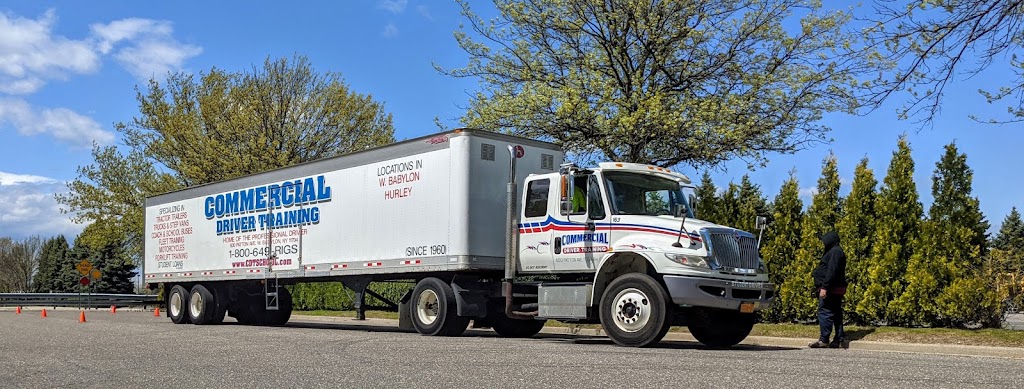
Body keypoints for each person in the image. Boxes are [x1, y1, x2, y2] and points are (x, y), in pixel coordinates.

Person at [809, 231, 848, 349]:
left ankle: (824, 339)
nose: (823, 243)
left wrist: (825, 287)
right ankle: (838, 339)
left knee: (824, 312)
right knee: (836, 313)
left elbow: (832, 271)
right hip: (834, 288)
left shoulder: (835, 252)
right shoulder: (834, 251)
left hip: (831, 288)